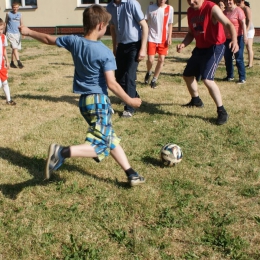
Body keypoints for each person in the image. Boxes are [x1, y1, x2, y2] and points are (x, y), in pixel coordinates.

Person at [19, 5, 145, 187]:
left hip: (85, 102)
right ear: (101, 25)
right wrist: (130, 100)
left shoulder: (74, 41)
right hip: (99, 101)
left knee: (109, 137)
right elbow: (112, 84)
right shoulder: (105, 52)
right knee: (100, 143)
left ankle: (131, 173)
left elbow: (48, 38)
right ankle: (61, 152)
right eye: (108, 26)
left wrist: (29, 32)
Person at [177, 0, 238, 125]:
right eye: (188, 0)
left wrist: (235, 40)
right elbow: (190, 33)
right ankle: (196, 100)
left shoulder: (212, 8)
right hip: (200, 48)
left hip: (215, 47)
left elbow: (229, 24)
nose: (191, 2)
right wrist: (183, 43)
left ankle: (222, 111)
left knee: (207, 79)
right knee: (187, 75)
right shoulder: (190, 11)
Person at [107, 0, 148, 118]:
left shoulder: (132, 4)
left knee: (129, 76)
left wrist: (143, 48)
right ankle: (133, 97)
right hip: (121, 45)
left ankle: (129, 108)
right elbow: (113, 28)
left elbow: (144, 26)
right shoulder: (110, 6)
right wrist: (115, 47)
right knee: (119, 77)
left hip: (134, 45)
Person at [144, 0, 174, 89]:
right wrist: (144, 33)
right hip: (151, 38)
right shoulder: (150, 8)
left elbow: (170, 24)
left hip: (163, 39)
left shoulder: (170, 8)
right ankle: (149, 71)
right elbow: (145, 21)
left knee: (161, 59)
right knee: (150, 60)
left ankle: (154, 79)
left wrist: (169, 37)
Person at [223, 0, 247, 84]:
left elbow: (243, 24)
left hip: (238, 37)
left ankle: (242, 78)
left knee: (238, 58)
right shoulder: (224, 12)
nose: (228, 2)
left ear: (233, 1)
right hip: (227, 38)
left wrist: (245, 36)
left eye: (230, 0)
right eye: (226, 0)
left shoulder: (238, 10)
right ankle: (230, 76)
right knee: (227, 57)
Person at [0, 19, 16, 106]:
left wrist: (7, 61)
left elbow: (4, 50)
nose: (0, 31)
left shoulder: (3, 37)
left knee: (5, 82)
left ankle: (8, 100)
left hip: (2, 64)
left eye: (2, 29)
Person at [5, 2, 24, 69]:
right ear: (12, 7)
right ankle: (19, 62)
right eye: (14, 7)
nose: (15, 9)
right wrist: (4, 32)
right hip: (10, 33)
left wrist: (22, 33)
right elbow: (5, 23)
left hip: (17, 34)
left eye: (16, 7)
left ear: (18, 8)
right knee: (15, 47)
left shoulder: (20, 14)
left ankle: (12, 62)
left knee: (14, 48)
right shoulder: (8, 14)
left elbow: (21, 24)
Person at [236, 0, 254, 68]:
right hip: (242, 30)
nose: (238, 3)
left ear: (243, 1)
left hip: (249, 30)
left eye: (239, 1)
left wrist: (246, 31)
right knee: (240, 47)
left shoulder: (246, 8)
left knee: (249, 47)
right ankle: (239, 62)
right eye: (237, 1)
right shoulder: (238, 8)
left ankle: (250, 64)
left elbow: (249, 20)